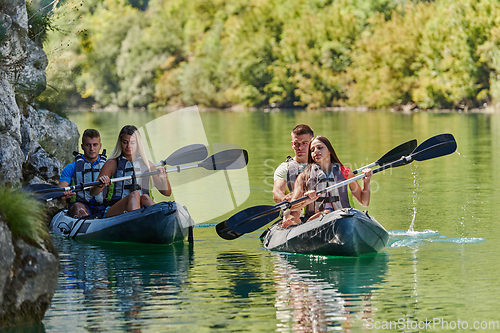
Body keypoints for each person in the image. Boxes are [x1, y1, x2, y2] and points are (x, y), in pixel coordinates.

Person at [282, 136, 373, 228]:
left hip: (344, 218)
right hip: (315, 221)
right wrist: (306, 199)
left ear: (330, 151)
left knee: (329, 213)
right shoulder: (303, 176)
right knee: (323, 213)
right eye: (312, 150)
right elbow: (293, 207)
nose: (315, 151)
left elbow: (364, 202)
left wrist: (366, 182)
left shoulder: (345, 172)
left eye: (320, 147)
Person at [89, 125, 171, 218]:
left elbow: (166, 193)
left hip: (140, 208)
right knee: (135, 195)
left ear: (138, 144)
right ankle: (137, 223)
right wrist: (100, 184)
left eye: (132, 142)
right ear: (120, 143)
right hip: (114, 210)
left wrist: (164, 178)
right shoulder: (112, 163)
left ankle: (161, 218)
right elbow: (93, 192)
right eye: (125, 142)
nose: (128, 146)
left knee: (145, 197)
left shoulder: (148, 165)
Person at [58, 129, 107, 218]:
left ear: (100, 146)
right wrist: (64, 194)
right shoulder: (71, 167)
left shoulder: (109, 166)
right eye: (88, 145)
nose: (92, 149)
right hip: (81, 205)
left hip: (104, 206)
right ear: (82, 146)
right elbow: (61, 190)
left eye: (95, 145)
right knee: (78, 208)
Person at [272, 124, 314, 203]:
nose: (300, 147)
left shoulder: (322, 165)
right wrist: (284, 199)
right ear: (292, 145)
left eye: (304, 143)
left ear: (312, 143)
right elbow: (277, 192)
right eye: (296, 143)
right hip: (293, 209)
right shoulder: (284, 168)